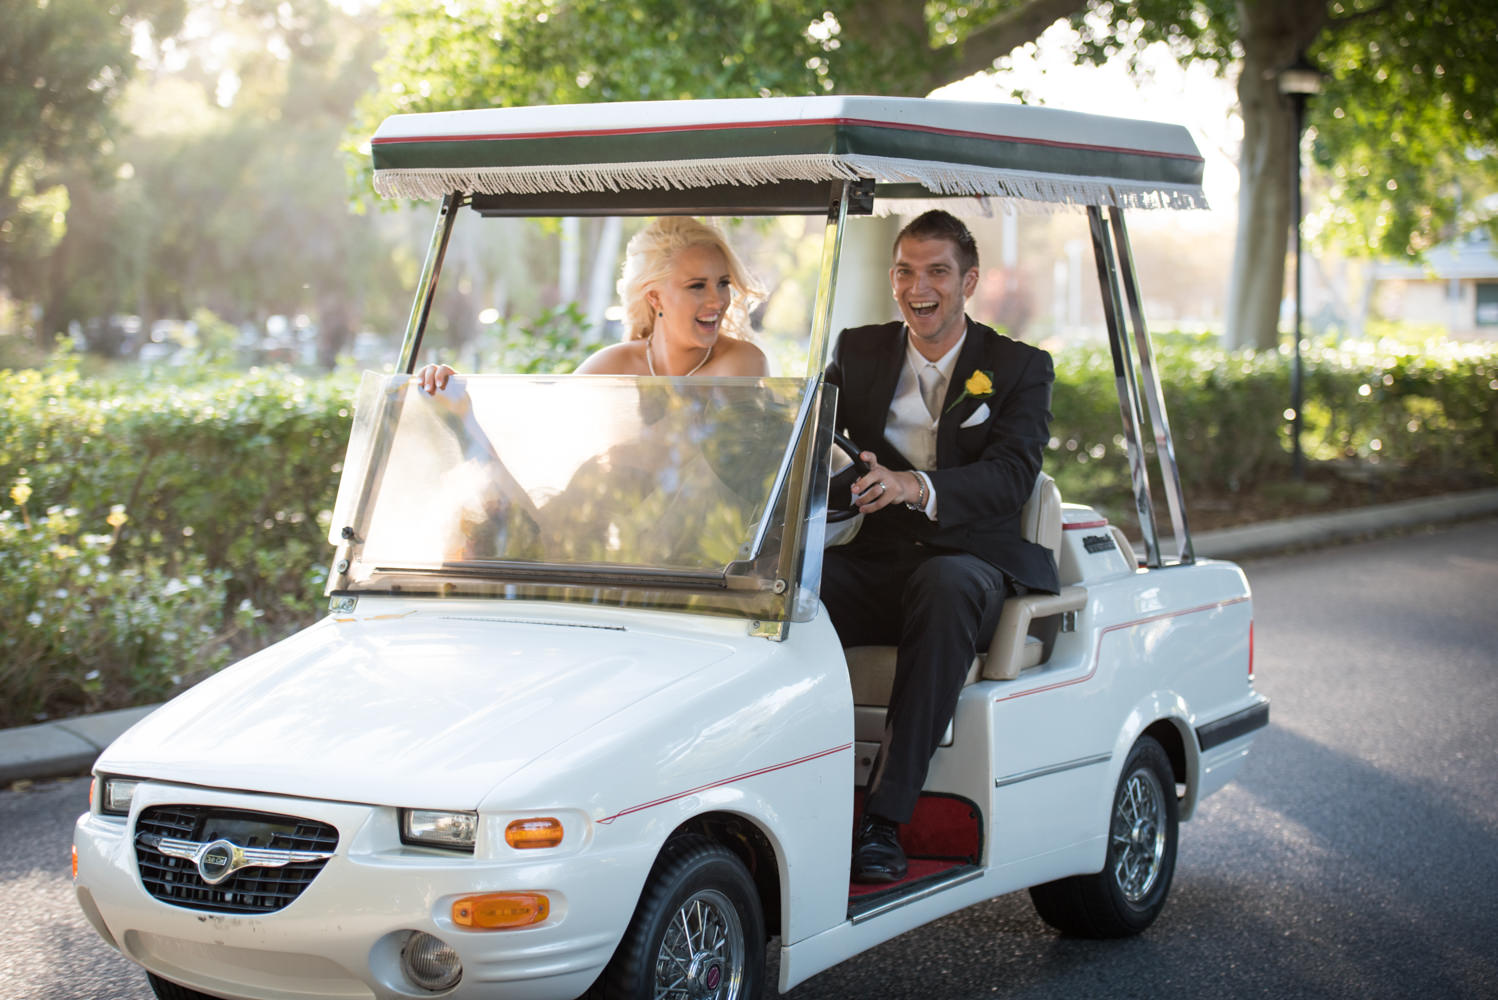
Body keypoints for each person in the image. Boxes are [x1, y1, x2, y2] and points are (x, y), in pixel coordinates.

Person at [822, 209, 1059, 884]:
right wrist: (844, 474)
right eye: (904, 270)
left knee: (945, 584)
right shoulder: (860, 350)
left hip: (972, 564)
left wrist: (917, 485)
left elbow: (1013, 477)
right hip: (877, 557)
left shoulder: (1017, 368)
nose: (916, 286)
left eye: (936, 272)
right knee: (796, 589)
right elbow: (823, 452)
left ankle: (882, 821)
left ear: (969, 281)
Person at [418, 216, 769, 391]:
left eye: (723, 283)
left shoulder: (741, 364)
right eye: (697, 286)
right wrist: (456, 393)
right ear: (655, 296)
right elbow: (538, 432)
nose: (718, 299)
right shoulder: (612, 365)